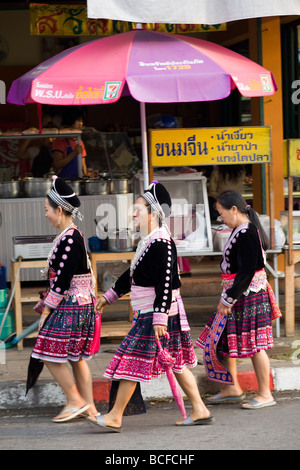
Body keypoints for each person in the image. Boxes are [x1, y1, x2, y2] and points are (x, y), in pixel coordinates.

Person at [89, 181, 213, 431]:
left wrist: (159, 318)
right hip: (159, 313)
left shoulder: (162, 242)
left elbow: (165, 282)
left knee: (131, 361)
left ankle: (115, 416)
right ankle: (200, 408)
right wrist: (110, 295)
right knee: (175, 363)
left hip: (158, 315)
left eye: (138, 209)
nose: (133, 213)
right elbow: (133, 274)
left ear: (153, 213)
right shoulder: (149, 241)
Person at [195, 190, 282, 409]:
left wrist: (228, 299)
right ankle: (232, 388)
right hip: (238, 294)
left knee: (255, 345)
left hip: (248, 295)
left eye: (221, 212)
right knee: (225, 340)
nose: (220, 218)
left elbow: (247, 272)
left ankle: (265, 393)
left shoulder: (248, 232)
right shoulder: (240, 230)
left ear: (234, 209)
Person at [29, 176, 100, 422]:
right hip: (80, 303)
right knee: (76, 357)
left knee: (46, 349)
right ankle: (89, 408)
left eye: (47, 210)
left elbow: (62, 281)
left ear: (59, 210)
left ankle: (75, 400)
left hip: (72, 303)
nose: (46, 215)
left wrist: (46, 311)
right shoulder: (71, 236)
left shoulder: (69, 238)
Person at [52, 109, 88, 178]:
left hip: (78, 181)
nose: (81, 124)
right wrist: (74, 153)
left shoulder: (79, 141)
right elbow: (56, 164)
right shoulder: (60, 140)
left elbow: (83, 164)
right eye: (78, 121)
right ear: (70, 121)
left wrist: (86, 175)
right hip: (63, 181)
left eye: (82, 121)